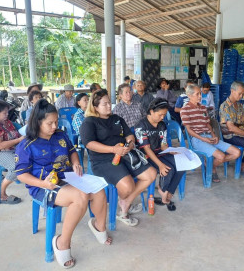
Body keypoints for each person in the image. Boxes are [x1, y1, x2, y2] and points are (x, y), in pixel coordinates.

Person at [15, 99, 111, 268]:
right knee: (80, 197)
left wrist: (75, 163)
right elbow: (22, 174)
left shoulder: (60, 134)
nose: (54, 126)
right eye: (49, 123)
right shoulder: (26, 145)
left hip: (66, 177)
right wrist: (43, 184)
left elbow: (72, 151)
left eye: (56, 122)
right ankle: (62, 242)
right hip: (42, 186)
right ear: (37, 122)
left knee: (99, 189)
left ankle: (99, 225)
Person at [80, 89, 156, 226]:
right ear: (95, 107)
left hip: (125, 155)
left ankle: (125, 202)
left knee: (151, 174)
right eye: (105, 104)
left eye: (109, 103)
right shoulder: (89, 122)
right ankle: (124, 200)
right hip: (103, 161)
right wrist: (113, 149)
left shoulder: (116, 119)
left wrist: (130, 144)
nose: (109, 106)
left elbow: (129, 135)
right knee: (128, 186)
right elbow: (89, 144)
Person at [181, 84, 240, 182]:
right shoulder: (185, 110)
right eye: (197, 94)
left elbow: (208, 124)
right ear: (189, 95)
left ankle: (209, 165)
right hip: (197, 139)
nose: (200, 96)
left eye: (200, 93)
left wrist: (214, 135)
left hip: (209, 136)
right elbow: (189, 131)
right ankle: (212, 169)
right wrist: (203, 139)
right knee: (221, 156)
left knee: (236, 153)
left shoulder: (203, 108)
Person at [135, 98, 184, 211]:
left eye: (164, 115)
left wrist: (170, 150)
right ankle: (163, 191)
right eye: (160, 114)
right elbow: (146, 148)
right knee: (168, 169)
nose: (162, 118)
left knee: (182, 164)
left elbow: (163, 144)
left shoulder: (161, 125)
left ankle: (168, 192)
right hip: (145, 155)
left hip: (159, 152)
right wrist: (160, 165)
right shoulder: (141, 125)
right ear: (151, 111)